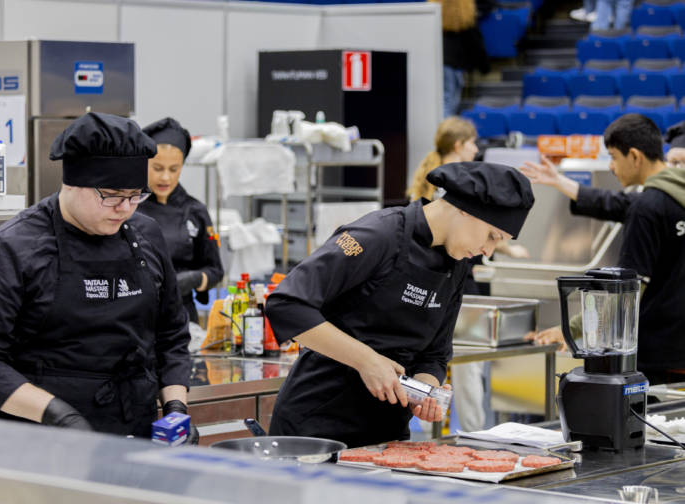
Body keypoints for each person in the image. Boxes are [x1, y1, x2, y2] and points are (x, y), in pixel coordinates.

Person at [0, 112, 197, 440]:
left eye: (136, 195)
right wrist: (60, 416)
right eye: (111, 195)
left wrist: (176, 407)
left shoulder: (145, 234)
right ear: (73, 183)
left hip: (134, 430)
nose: (125, 209)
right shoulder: (11, 250)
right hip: (42, 438)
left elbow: (170, 334)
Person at [265, 162, 535, 448]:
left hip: (387, 436)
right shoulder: (379, 234)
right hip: (314, 425)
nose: (488, 251)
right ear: (465, 209)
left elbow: (435, 353)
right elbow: (287, 303)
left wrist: (425, 389)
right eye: (492, 236)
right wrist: (367, 361)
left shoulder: (456, 264)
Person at [521, 114, 685, 385]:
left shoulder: (646, 208)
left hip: (659, 355)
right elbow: (613, 202)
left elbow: (624, 292)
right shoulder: (663, 201)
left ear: (634, 156)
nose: (610, 166)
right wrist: (562, 182)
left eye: (613, 157)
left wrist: (572, 329)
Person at [407, 117, 529, 433]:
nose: (476, 148)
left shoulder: (466, 190)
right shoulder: (451, 194)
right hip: (444, 285)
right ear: (459, 145)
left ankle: (467, 428)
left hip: (459, 283)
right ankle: (471, 432)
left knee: (452, 360)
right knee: (468, 366)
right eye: (473, 142)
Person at [137, 117, 224, 324]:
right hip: (136, 314)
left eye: (174, 169)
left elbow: (215, 270)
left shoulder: (195, 211)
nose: (166, 177)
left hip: (181, 315)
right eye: (157, 168)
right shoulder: (127, 206)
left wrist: (194, 279)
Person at [429, 0, 490, 117]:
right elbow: (475, 43)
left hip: (439, 62)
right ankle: (446, 132)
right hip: (453, 64)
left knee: (446, 101)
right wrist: (484, 67)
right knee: (449, 101)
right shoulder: (464, 18)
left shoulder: (434, 19)